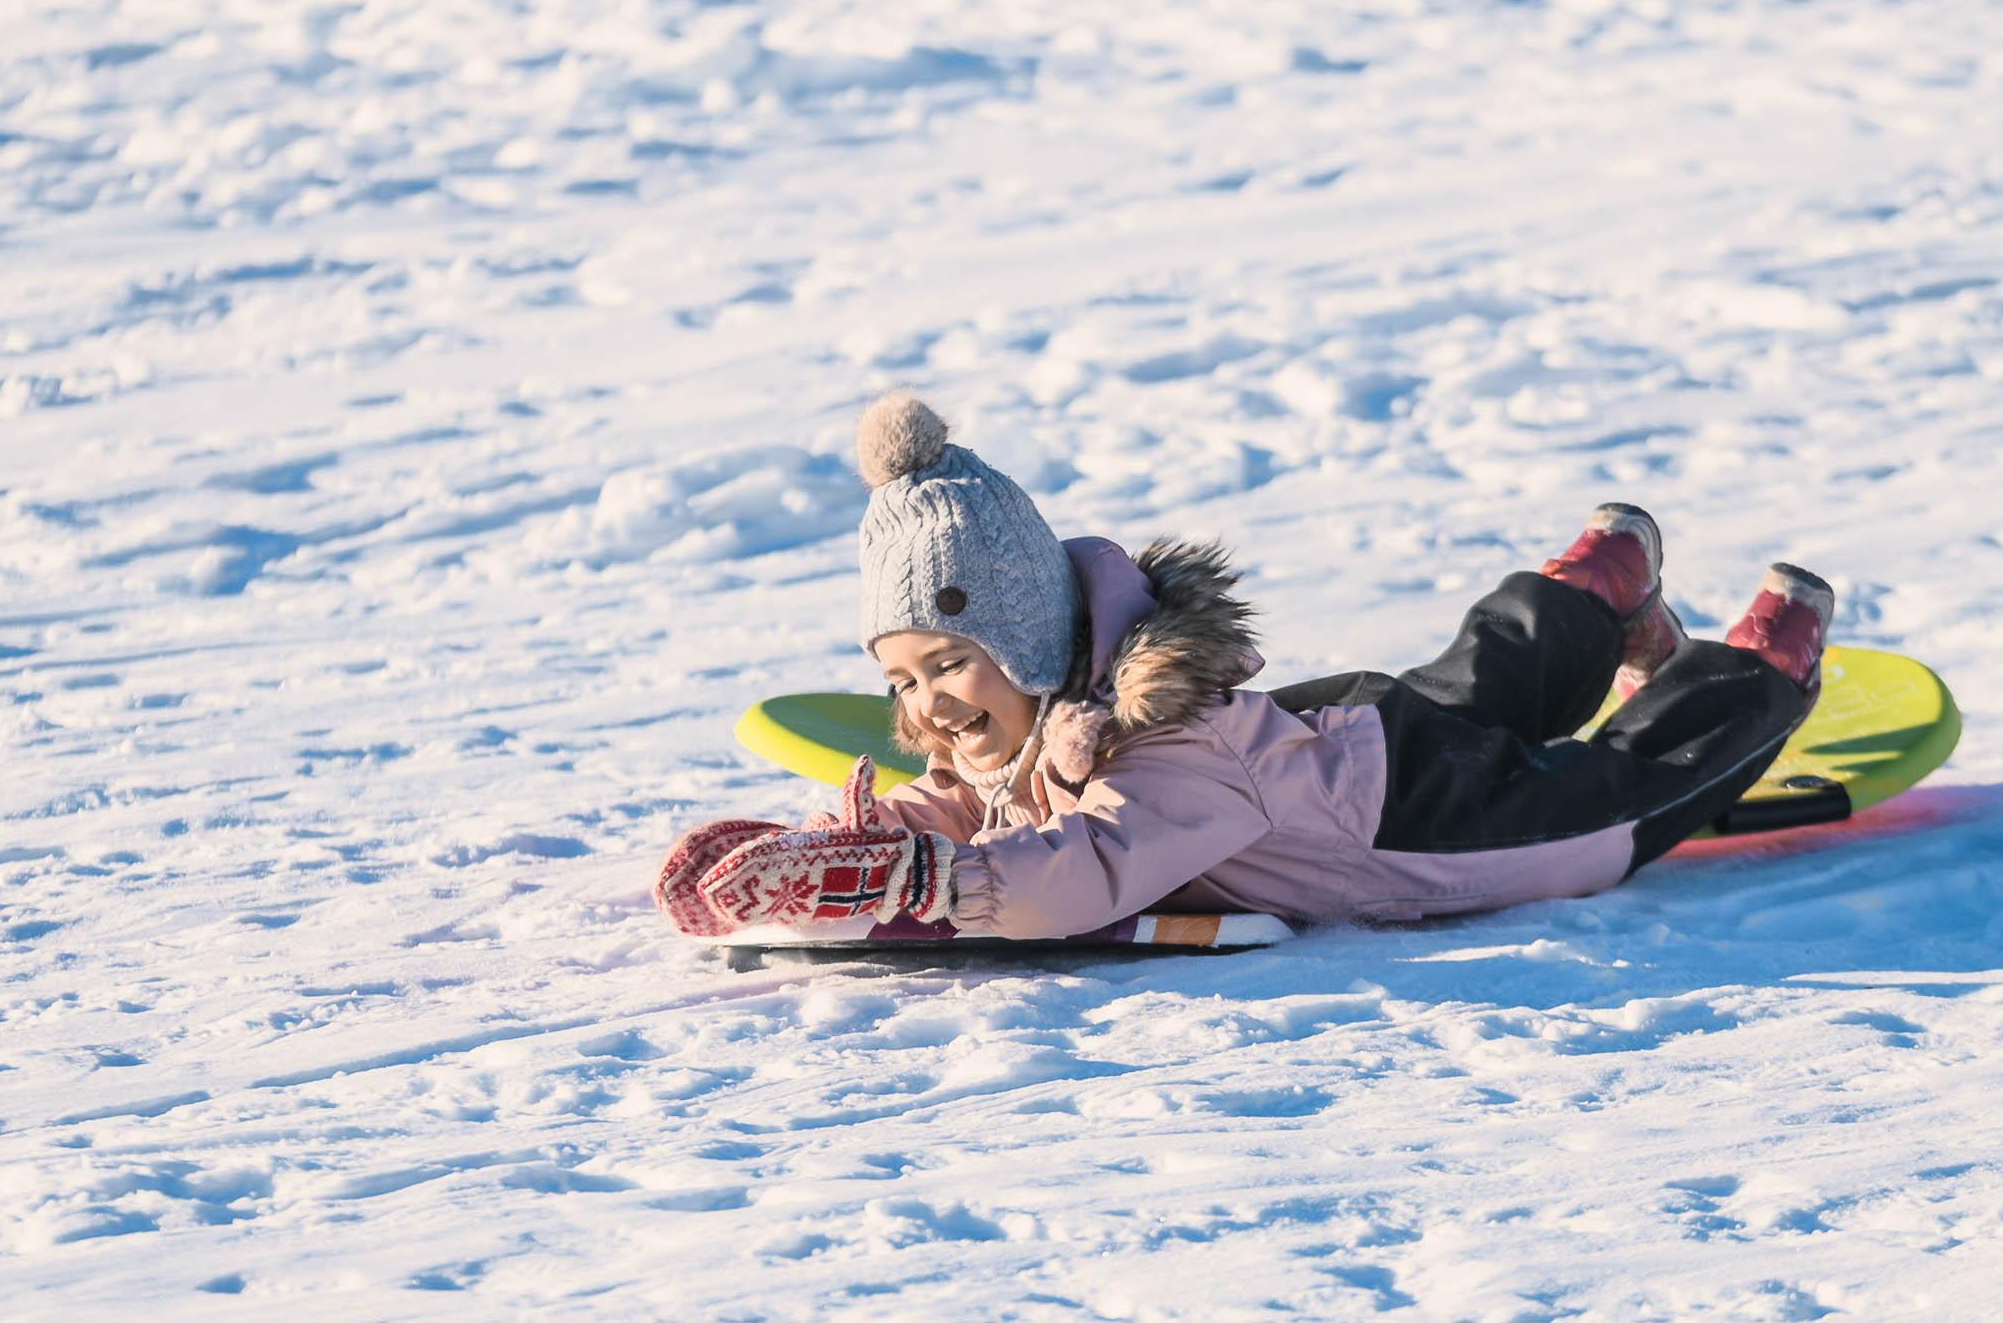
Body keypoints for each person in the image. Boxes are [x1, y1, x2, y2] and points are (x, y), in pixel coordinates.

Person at [654, 393, 1835, 941]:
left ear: (1023, 643)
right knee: (1483, 678)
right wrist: (841, 846)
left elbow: (1090, 870)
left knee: (1616, 801)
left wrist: (931, 891)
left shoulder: (1164, 753)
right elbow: (978, 801)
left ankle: (1761, 667)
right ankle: (1594, 585)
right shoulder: (1055, 709)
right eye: (902, 677)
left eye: (948, 663)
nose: (925, 703)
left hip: (1423, 822)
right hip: (1350, 735)